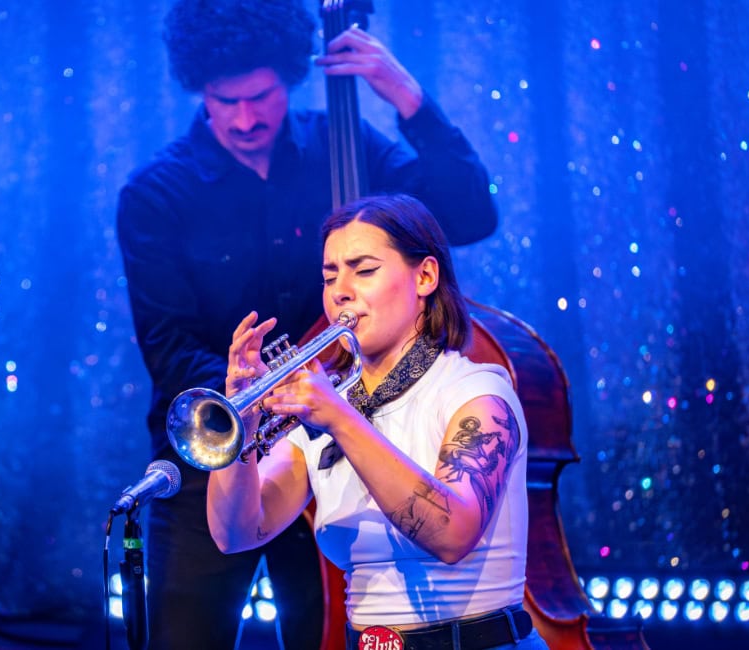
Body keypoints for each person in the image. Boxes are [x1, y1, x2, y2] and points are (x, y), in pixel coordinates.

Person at [116, 0, 498, 647]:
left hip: (337, 449)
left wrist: (408, 99)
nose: (245, 118)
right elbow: (168, 344)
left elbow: (470, 217)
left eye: (261, 96)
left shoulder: (345, 145)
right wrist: (266, 399)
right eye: (225, 100)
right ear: (198, 89)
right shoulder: (156, 194)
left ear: (290, 77)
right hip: (218, 455)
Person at [210, 193, 549, 650]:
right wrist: (241, 427)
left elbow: (452, 534)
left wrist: (340, 418)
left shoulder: (477, 392)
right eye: (330, 276)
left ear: (425, 276)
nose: (340, 291)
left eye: (364, 270)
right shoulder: (327, 407)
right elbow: (235, 533)